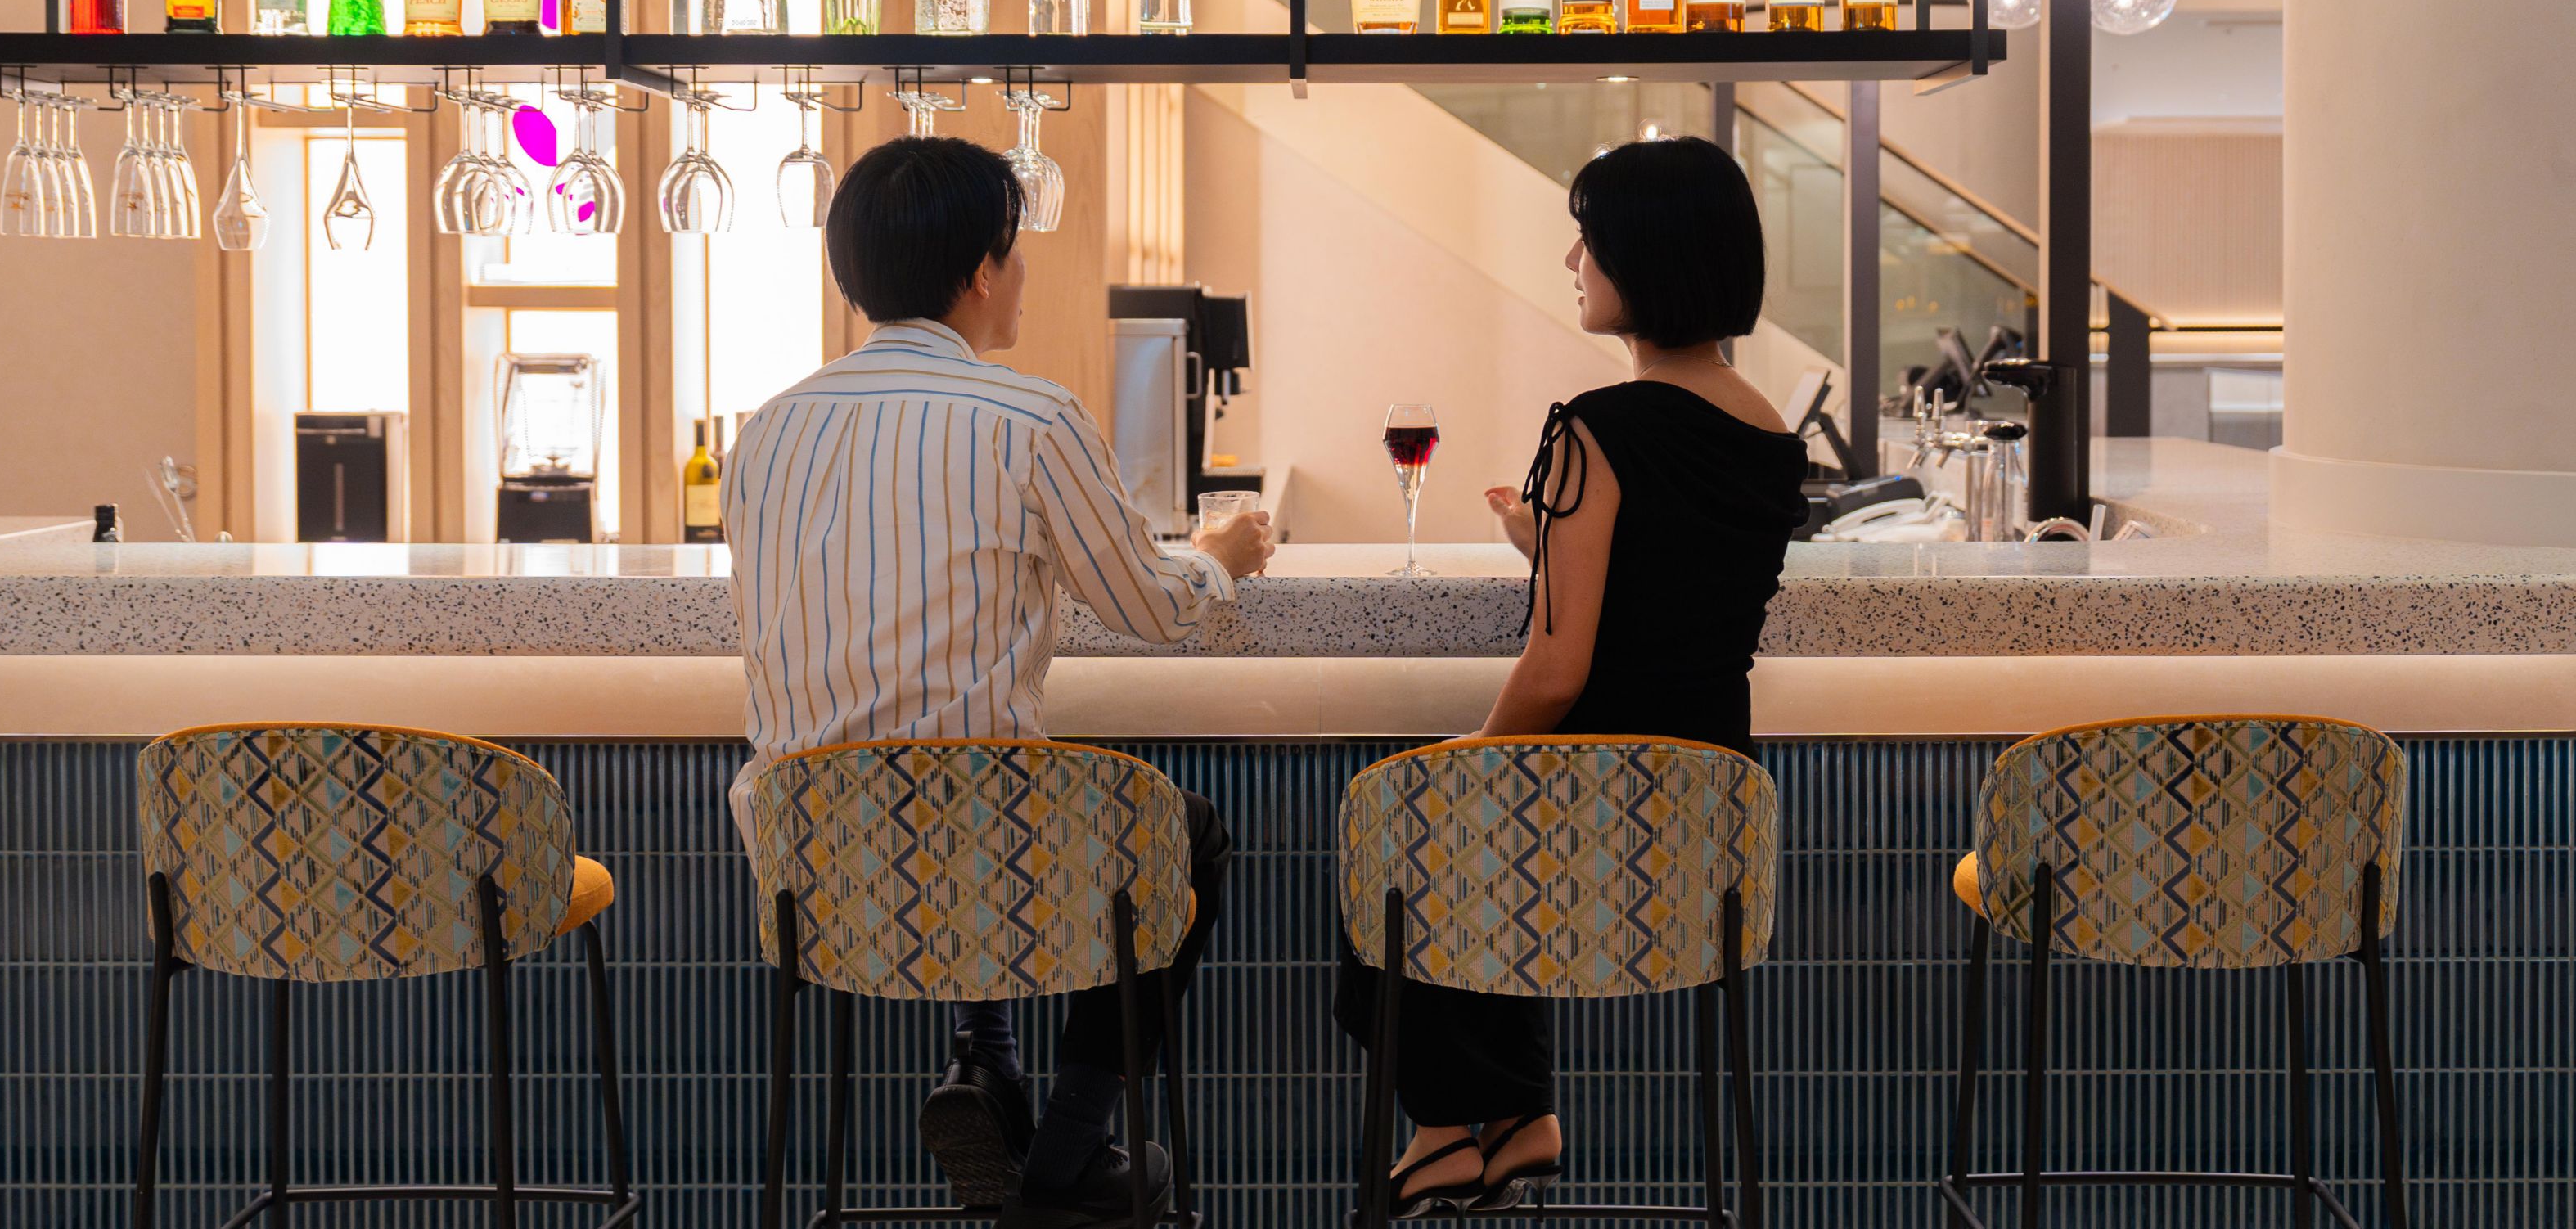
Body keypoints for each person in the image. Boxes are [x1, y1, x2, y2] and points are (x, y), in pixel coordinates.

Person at [724, 135, 1275, 1229]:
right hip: (993, 861)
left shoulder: (765, 433)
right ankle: (1064, 1156)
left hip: (812, 877)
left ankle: (986, 1062)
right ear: (982, 270)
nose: (1022, 273)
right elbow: (1152, 608)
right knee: (1171, 832)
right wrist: (1222, 557)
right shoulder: (1030, 419)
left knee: (975, 774)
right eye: (1015, 251)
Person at [1335, 137, 1809, 1214]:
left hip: (1585, 806)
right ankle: (1514, 1119)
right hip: (1706, 829)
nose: (1572, 261)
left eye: (1587, 238)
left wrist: (1470, 758)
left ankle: (1450, 1128)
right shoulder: (1772, 436)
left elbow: (1557, 672)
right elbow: (1671, 587)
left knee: (1399, 814)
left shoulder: (1595, 428)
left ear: (1647, 256)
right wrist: (1547, 540)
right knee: (1458, 807)